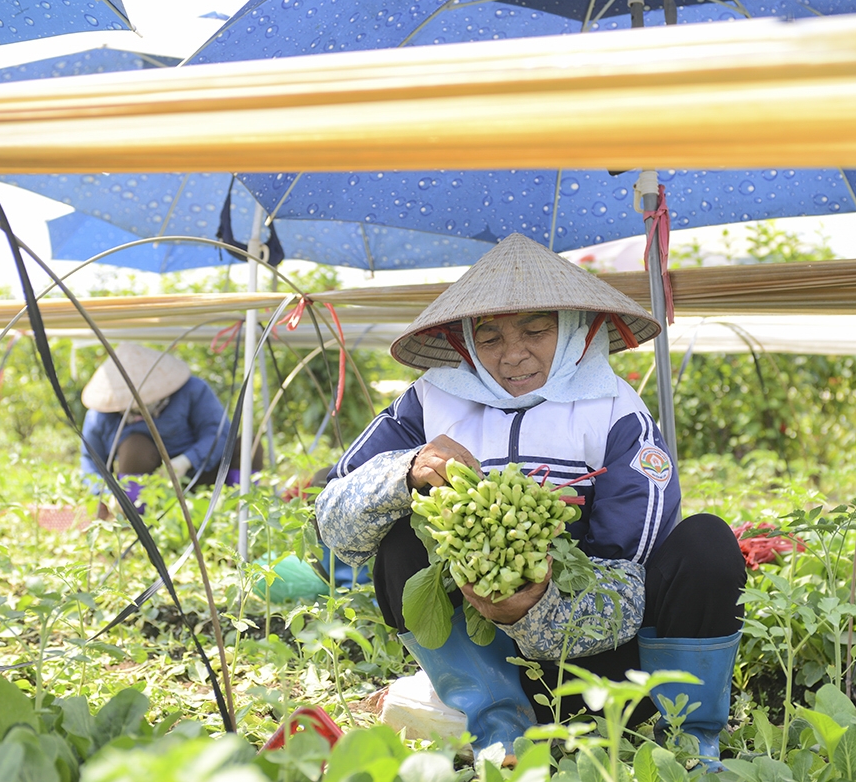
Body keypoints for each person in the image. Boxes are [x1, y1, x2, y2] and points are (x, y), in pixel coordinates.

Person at [315, 234, 746, 767]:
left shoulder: (614, 410)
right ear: (465, 340)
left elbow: (631, 570)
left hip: (613, 678)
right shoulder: (430, 399)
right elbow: (332, 524)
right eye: (489, 336)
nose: (513, 354)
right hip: (492, 668)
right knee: (401, 532)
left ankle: (687, 740)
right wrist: (404, 472)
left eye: (536, 331)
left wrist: (536, 609)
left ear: (573, 329)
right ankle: (501, 731)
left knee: (707, 542)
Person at [80, 343, 261, 512]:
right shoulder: (100, 416)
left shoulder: (192, 390)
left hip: (203, 473)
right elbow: (91, 462)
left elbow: (218, 432)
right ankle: (136, 517)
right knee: (134, 446)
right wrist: (107, 495)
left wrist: (186, 461)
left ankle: (238, 511)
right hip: (149, 486)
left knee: (249, 444)